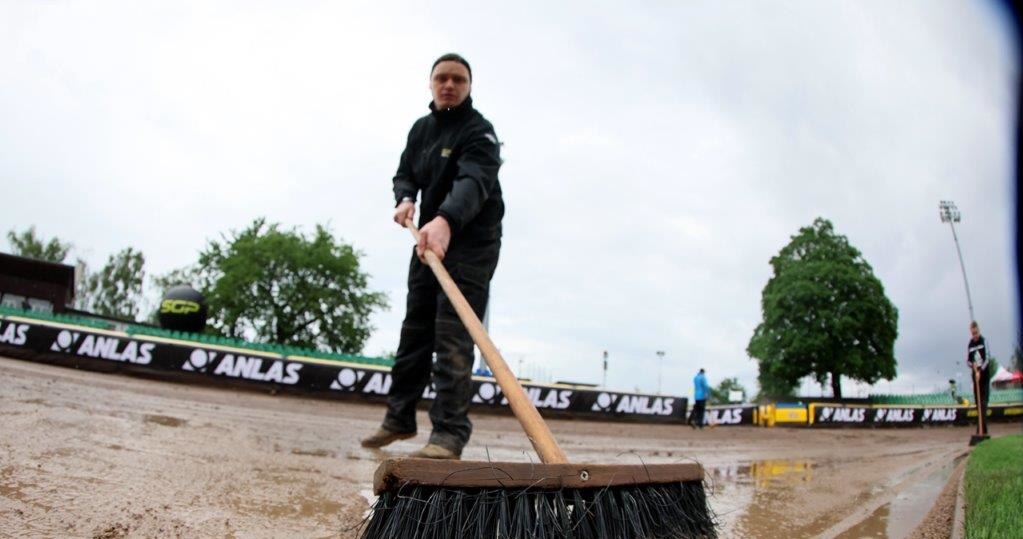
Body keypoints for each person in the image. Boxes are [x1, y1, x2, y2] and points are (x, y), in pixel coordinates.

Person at [361, 53, 503, 460]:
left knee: (453, 336)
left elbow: (474, 182)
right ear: (430, 83)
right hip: (427, 239)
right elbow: (405, 172)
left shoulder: (480, 132)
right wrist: (405, 198)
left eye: (458, 79)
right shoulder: (421, 131)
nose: (449, 85)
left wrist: (446, 221)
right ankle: (399, 418)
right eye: (442, 77)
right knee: (415, 331)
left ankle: (449, 434)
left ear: (469, 86)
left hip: (472, 244)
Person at [967, 321, 991, 435]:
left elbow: (987, 358)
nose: (974, 335)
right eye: (972, 333)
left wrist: (980, 371)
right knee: (978, 404)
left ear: (979, 331)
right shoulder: (970, 344)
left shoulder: (984, 341)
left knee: (983, 403)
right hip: (975, 378)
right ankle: (982, 429)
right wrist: (973, 366)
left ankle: (981, 429)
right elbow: (968, 361)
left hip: (984, 377)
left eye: (976, 333)